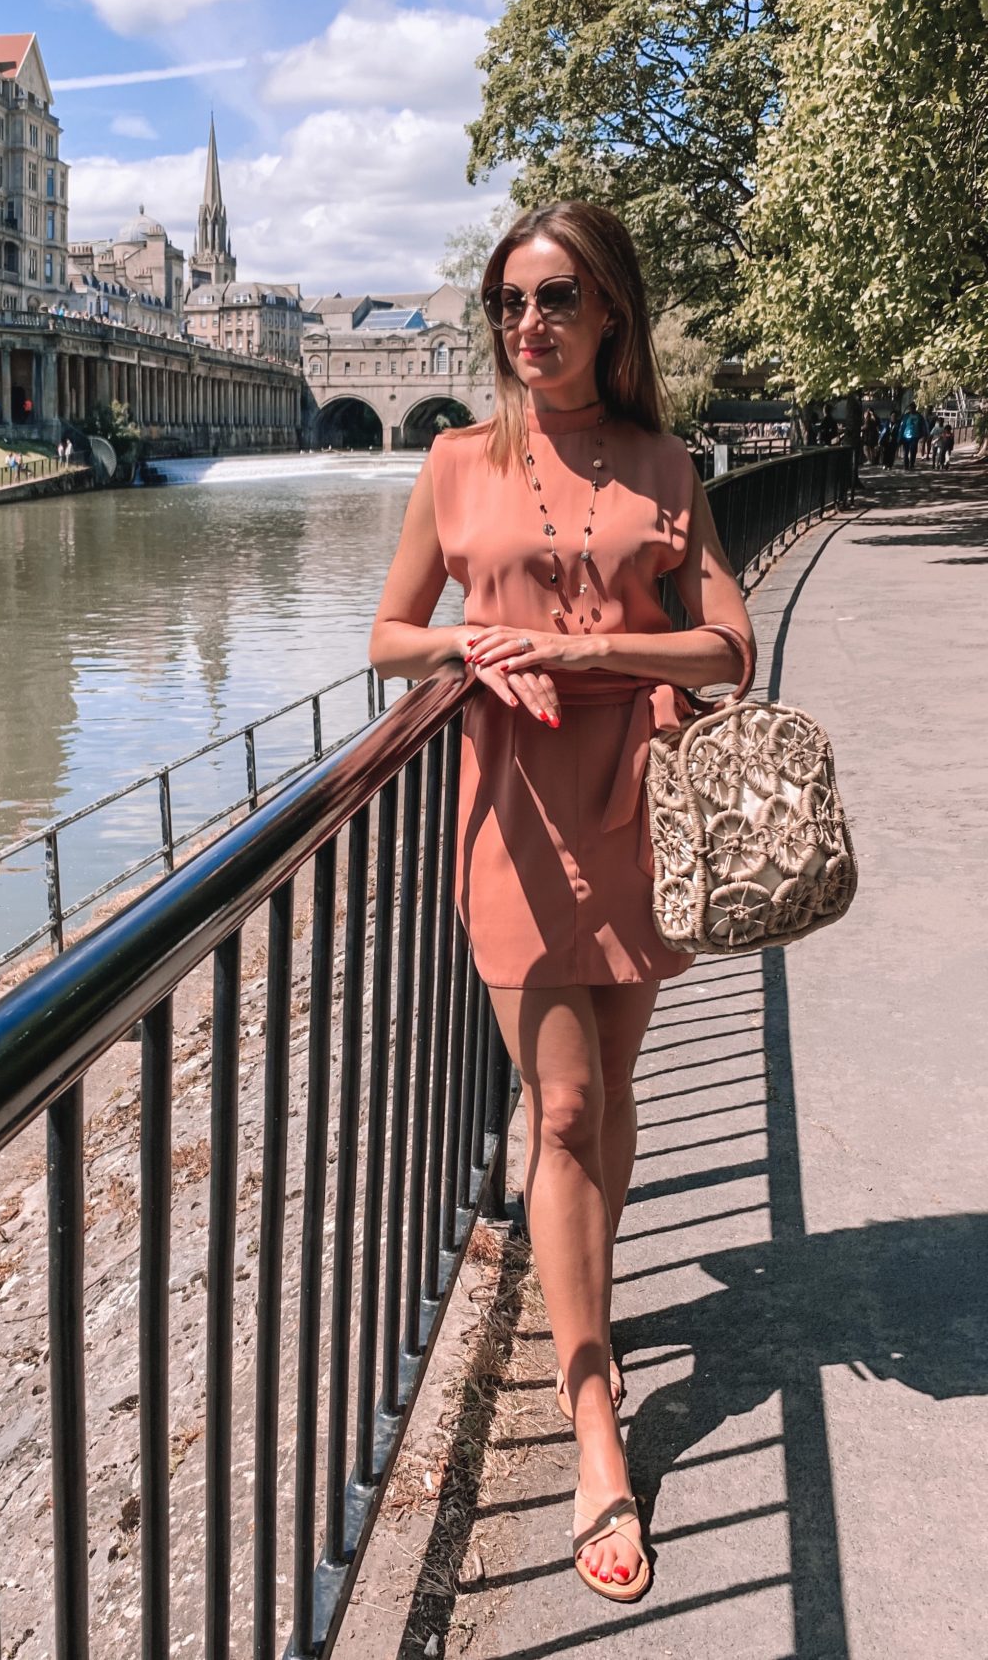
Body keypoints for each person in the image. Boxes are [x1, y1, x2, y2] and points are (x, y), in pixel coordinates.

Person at [369, 199, 754, 1606]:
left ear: (613, 318)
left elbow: (729, 643)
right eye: (513, 304)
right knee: (568, 1106)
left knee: (615, 1092)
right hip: (515, 817)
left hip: (637, 802)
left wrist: (592, 644)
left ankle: (577, 1280)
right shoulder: (459, 461)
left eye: (560, 301)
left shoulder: (666, 462)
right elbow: (388, 636)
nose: (531, 327)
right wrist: (474, 641)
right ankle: (595, 1412)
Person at [900, 403, 925, 470]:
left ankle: (911, 464)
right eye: (910, 408)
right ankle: (906, 465)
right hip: (906, 436)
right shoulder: (906, 416)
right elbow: (902, 426)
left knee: (913, 450)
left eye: (913, 408)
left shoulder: (919, 416)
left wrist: (923, 434)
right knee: (906, 452)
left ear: (915, 408)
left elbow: (923, 425)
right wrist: (900, 435)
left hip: (915, 436)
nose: (911, 409)